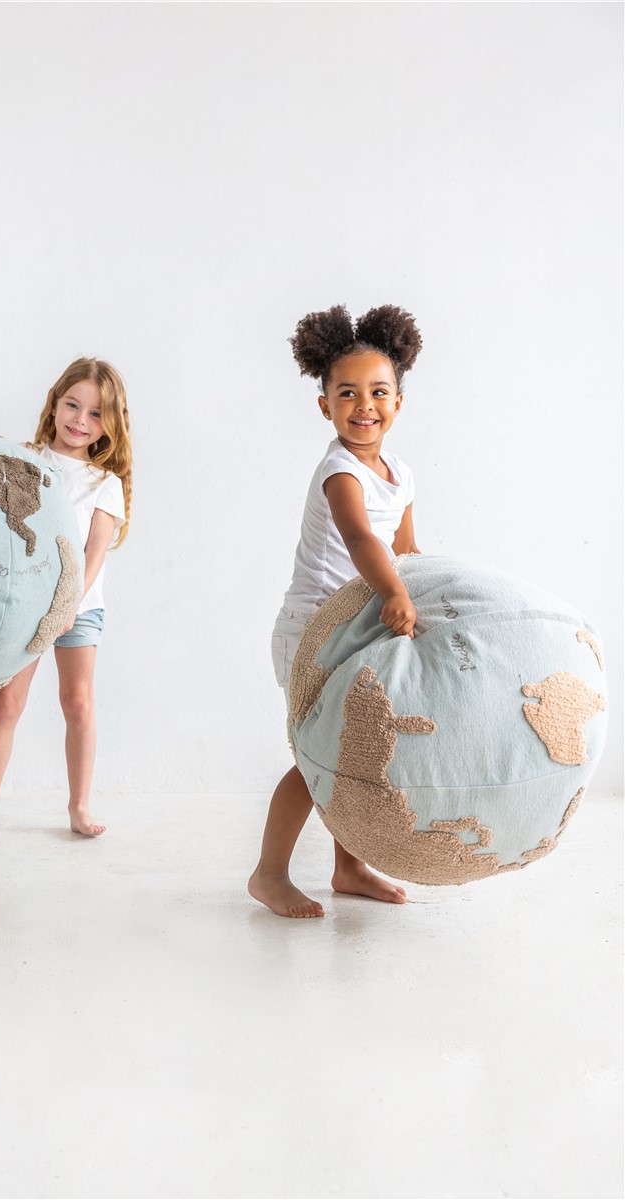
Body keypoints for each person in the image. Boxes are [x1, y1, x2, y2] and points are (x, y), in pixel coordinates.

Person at [248, 304, 422, 916]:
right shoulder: (340, 470)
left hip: (357, 625)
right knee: (315, 758)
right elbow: (360, 539)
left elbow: (406, 550)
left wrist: (417, 591)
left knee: (352, 752)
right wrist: (393, 594)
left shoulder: (400, 473)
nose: (363, 404)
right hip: (312, 632)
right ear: (325, 406)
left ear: (398, 401)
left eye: (378, 391)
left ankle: (348, 867)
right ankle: (269, 874)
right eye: (347, 393)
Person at [0, 357, 132, 844]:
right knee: (6, 703)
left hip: (80, 608)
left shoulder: (105, 483)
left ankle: (79, 807)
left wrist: (67, 607)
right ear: (55, 405)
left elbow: (94, 553)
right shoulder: (25, 461)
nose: (80, 420)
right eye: (73, 406)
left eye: (95, 413)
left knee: (77, 703)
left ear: (110, 423)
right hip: (24, 605)